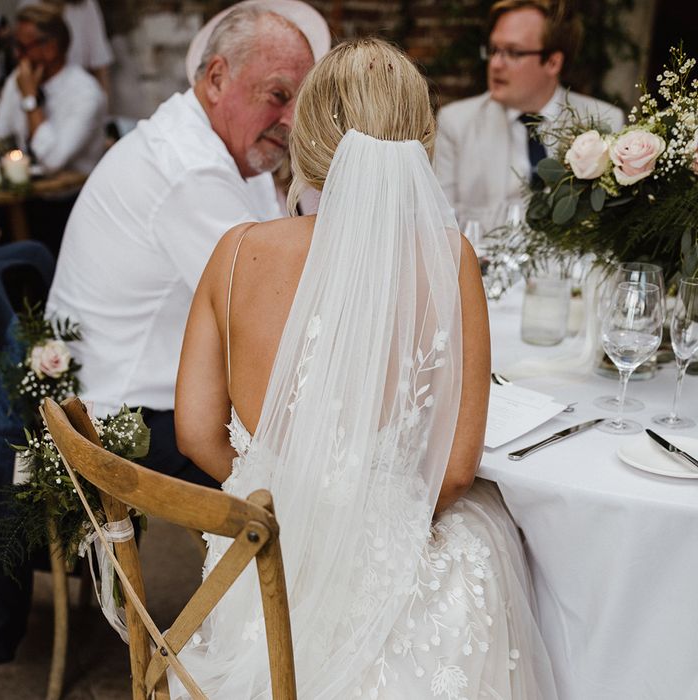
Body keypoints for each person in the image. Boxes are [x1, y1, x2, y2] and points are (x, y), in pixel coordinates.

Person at [172, 37, 558, 698]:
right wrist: (364, 516)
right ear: (420, 140)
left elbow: (196, 433)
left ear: (308, 135)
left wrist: (289, 496)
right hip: (387, 563)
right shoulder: (451, 257)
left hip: (263, 562)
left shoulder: (235, 251)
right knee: (502, 546)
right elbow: (459, 469)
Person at [46, 1, 329, 485]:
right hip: (119, 415)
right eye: (278, 96)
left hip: (143, 390)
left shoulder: (230, 151)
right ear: (217, 78)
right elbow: (273, 316)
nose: (290, 120)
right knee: (314, 475)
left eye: (299, 103)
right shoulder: (189, 169)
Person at [434, 0, 625, 227]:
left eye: (513, 53)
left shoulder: (604, 121)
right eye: (494, 49)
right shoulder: (456, 123)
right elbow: (439, 227)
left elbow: (611, 228)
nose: (495, 64)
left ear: (553, 62)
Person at [0, 2, 106, 175]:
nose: (17, 55)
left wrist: (30, 100)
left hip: (71, 196)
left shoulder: (85, 93)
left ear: (50, 49)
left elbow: (52, 160)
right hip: (29, 193)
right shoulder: (18, 79)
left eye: (23, 48)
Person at [21, 0, 113, 96]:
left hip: (77, 93)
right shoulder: (29, 5)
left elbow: (99, 63)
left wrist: (103, 104)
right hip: (38, 90)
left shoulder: (86, 5)